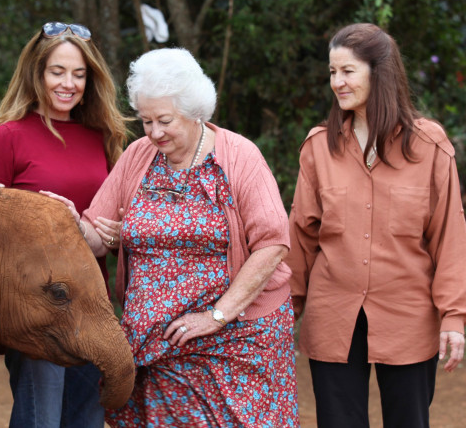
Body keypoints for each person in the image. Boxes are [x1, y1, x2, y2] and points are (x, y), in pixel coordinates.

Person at [48, 47, 299, 426]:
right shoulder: (138, 156)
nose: (154, 132)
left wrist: (216, 315)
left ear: (194, 111)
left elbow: (273, 244)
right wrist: (74, 224)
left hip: (235, 340)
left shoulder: (240, 157)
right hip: (155, 344)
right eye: (146, 121)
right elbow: (97, 234)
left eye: (164, 120)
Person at [287, 23, 466, 428]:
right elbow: (300, 238)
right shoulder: (319, 147)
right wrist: (286, 311)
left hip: (408, 319)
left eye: (347, 71)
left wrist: (454, 316)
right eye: (332, 72)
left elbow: (449, 237)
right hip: (333, 317)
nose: (337, 82)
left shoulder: (429, 145)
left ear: (379, 72)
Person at [0, 22, 128, 427]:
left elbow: (113, 221)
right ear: (37, 73)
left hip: (93, 307)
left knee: (86, 421)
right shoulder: (8, 136)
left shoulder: (102, 136)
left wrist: (111, 234)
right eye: (57, 72)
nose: (68, 84)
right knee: (40, 420)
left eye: (79, 74)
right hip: (35, 311)